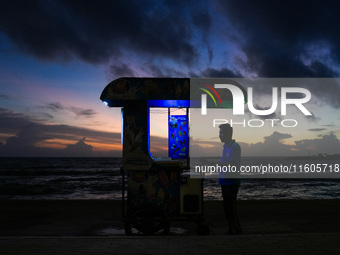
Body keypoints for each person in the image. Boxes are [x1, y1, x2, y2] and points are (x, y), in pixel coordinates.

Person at [218, 123, 242, 235]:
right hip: (225, 180)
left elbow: (231, 164)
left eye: (221, 132)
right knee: (227, 205)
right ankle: (234, 227)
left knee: (230, 206)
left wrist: (216, 164)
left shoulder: (235, 146)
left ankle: (235, 228)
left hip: (231, 181)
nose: (220, 135)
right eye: (219, 133)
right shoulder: (226, 147)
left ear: (229, 133)